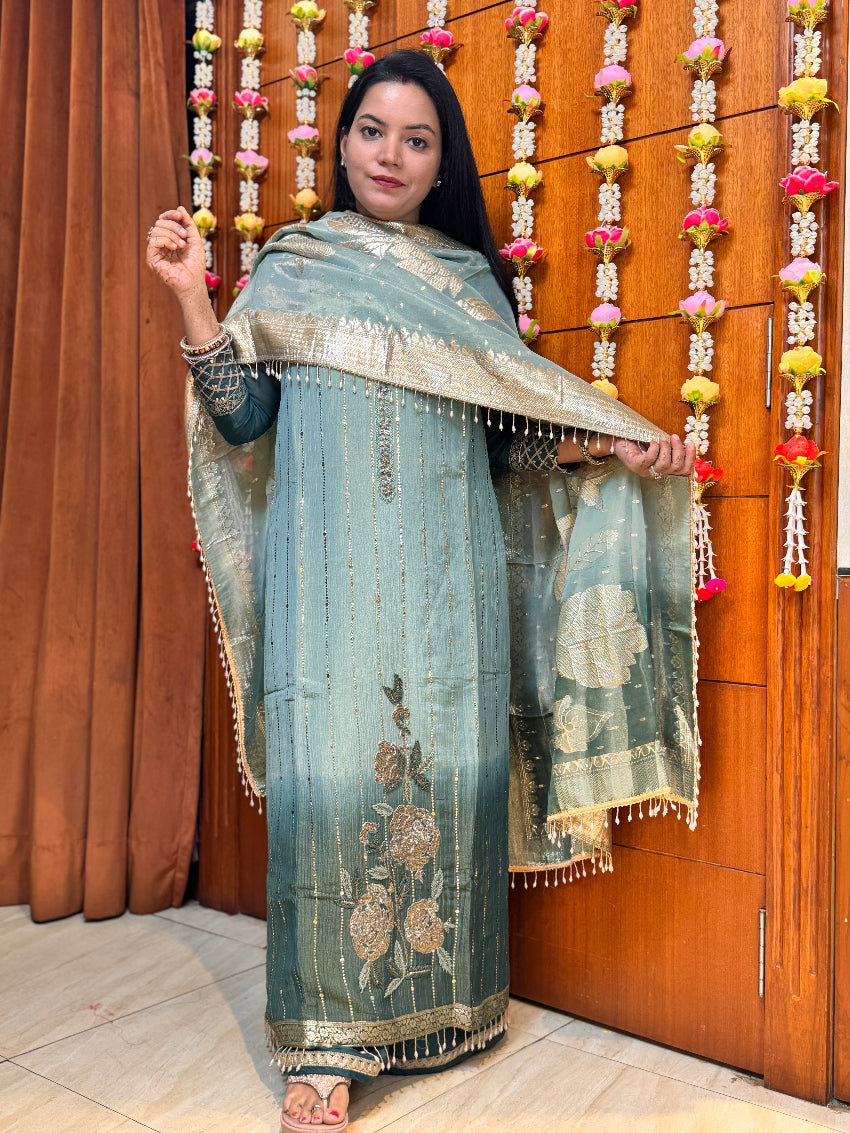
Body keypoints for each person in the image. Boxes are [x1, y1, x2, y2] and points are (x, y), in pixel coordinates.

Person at [147, 50, 696, 1131]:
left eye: (416, 138)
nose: (390, 154)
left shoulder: (466, 282)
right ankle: (328, 1048)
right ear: (339, 142)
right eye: (372, 131)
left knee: (439, 783)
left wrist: (608, 448)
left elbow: (510, 438)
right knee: (334, 790)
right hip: (328, 591)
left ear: (441, 161)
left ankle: (451, 1010)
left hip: (447, 590)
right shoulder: (294, 264)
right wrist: (190, 298)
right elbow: (244, 422)